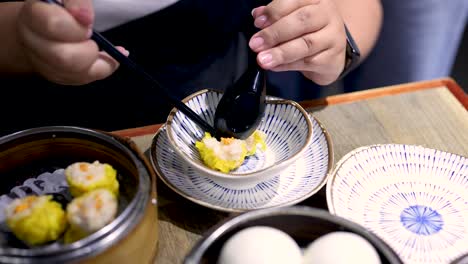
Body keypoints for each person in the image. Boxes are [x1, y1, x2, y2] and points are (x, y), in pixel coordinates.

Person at [0, 0, 382, 136]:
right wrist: (23, 38)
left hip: (231, 103)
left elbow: (359, 5)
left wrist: (336, 44)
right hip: (60, 132)